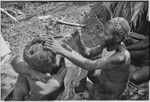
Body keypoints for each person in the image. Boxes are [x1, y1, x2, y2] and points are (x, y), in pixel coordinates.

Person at [44, 17, 131, 100]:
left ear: (117, 38)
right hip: (101, 84)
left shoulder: (120, 57)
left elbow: (89, 65)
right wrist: (79, 41)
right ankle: (85, 89)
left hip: (110, 97)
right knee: (77, 59)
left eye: (106, 34)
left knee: (81, 64)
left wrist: (61, 50)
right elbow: (88, 53)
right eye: (103, 32)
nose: (101, 35)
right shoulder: (109, 44)